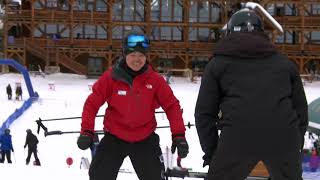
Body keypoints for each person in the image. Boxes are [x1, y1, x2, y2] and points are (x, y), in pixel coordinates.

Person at [195, 8, 308, 180]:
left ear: (230, 32)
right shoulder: (285, 64)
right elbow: (300, 108)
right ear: (261, 33)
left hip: (237, 138)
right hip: (283, 137)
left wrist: (213, 151)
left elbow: (204, 114)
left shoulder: (217, 64)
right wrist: (294, 143)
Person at [77, 32, 189, 180]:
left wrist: (179, 136)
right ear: (124, 54)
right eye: (133, 55)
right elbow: (91, 104)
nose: (137, 60)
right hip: (115, 137)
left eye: (141, 55)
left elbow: (172, 106)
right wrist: (86, 131)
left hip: (145, 139)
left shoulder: (154, 80)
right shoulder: (111, 77)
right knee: (99, 175)